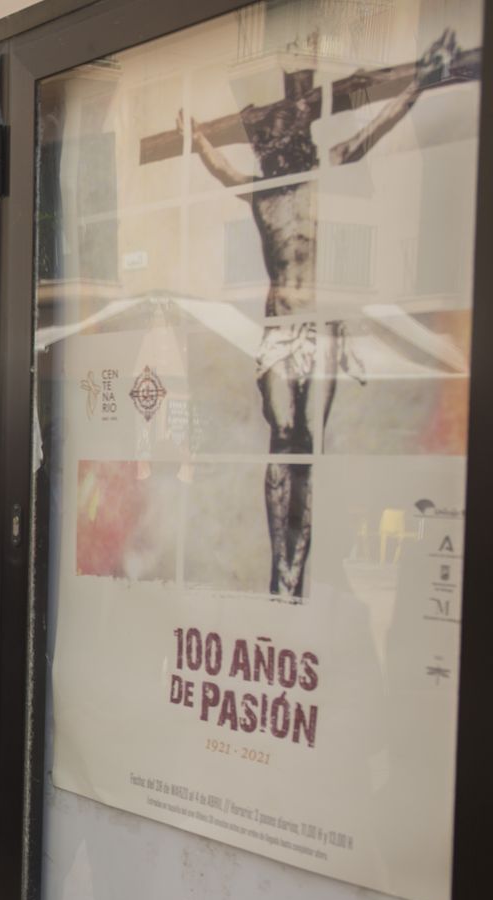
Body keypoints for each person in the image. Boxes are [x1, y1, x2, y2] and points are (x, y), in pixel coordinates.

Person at [182, 29, 460, 598]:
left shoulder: (324, 168)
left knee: (307, 447)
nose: (278, 143)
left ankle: (292, 574)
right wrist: (194, 136)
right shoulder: (263, 188)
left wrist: (419, 84)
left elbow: (373, 130)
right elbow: (217, 168)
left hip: (321, 327)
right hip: (281, 329)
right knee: (284, 438)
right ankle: (281, 573)